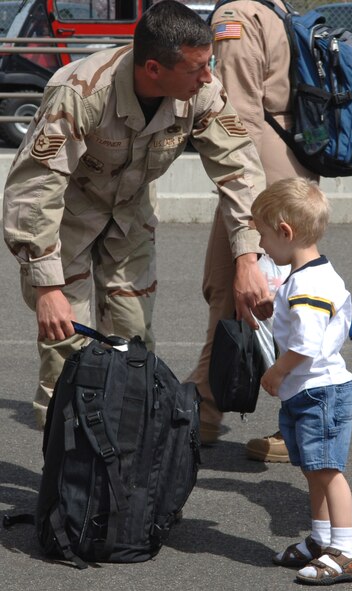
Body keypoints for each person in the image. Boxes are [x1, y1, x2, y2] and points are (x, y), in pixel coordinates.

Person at [2, 0, 268, 429]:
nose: (208, 77)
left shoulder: (202, 90)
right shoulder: (81, 92)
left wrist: (247, 257)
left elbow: (239, 167)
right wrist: (46, 285)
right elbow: (33, 190)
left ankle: (125, 454)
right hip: (64, 218)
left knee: (133, 338)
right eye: (196, 68)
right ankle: (68, 465)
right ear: (153, 69)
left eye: (209, 64)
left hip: (129, 213)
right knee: (66, 346)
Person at [190, 0, 318, 461]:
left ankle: (300, 417)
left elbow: (236, 112)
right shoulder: (276, 7)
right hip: (287, 161)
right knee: (252, 290)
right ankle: (203, 406)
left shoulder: (239, 14)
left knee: (241, 288)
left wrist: (234, 182)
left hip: (257, 168)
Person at [251, 178, 352, 585]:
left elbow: (306, 343)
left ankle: (345, 551)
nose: (262, 245)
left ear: (285, 231)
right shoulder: (305, 277)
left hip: (321, 392)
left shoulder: (308, 285)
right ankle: (320, 540)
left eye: (263, 235)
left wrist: (277, 370)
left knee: (328, 472)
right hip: (311, 391)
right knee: (314, 471)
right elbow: (298, 324)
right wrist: (272, 310)